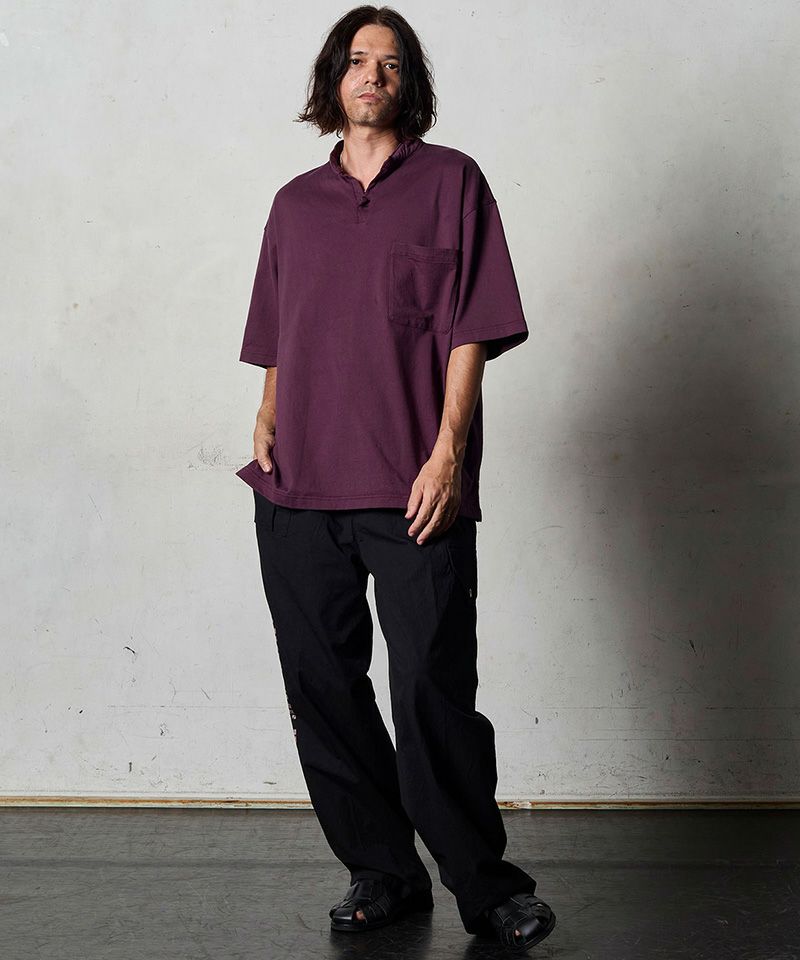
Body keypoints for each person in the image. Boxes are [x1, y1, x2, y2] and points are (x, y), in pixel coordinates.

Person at [235, 6, 557, 952]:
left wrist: (450, 454)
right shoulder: (295, 203)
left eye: (390, 62)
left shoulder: (453, 183)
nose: (371, 74)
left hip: (415, 484)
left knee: (430, 688)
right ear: (332, 79)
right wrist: (267, 410)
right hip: (298, 485)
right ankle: (382, 872)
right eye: (356, 59)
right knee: (323, 690)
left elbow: (472, 328)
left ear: (408, 81)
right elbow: (279, 331)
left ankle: (487, 888)